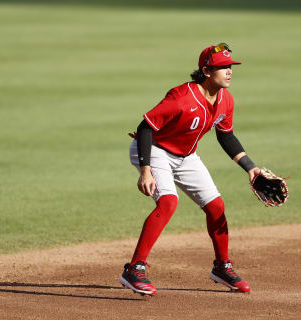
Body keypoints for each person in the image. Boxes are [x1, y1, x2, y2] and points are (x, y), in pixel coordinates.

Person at [120, 43, 261, 296]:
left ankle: (222, 266)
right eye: (222, 67)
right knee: (168, 202)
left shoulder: (225, 100)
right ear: (206, 71)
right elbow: (144, 128)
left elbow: (226, 136)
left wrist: (250, 167)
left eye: (230, 66)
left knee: (216, 206)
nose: (229, 71)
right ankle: (134, 268)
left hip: (186, 157)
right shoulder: (181, 97)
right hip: (155, 150)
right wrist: (145, 170)